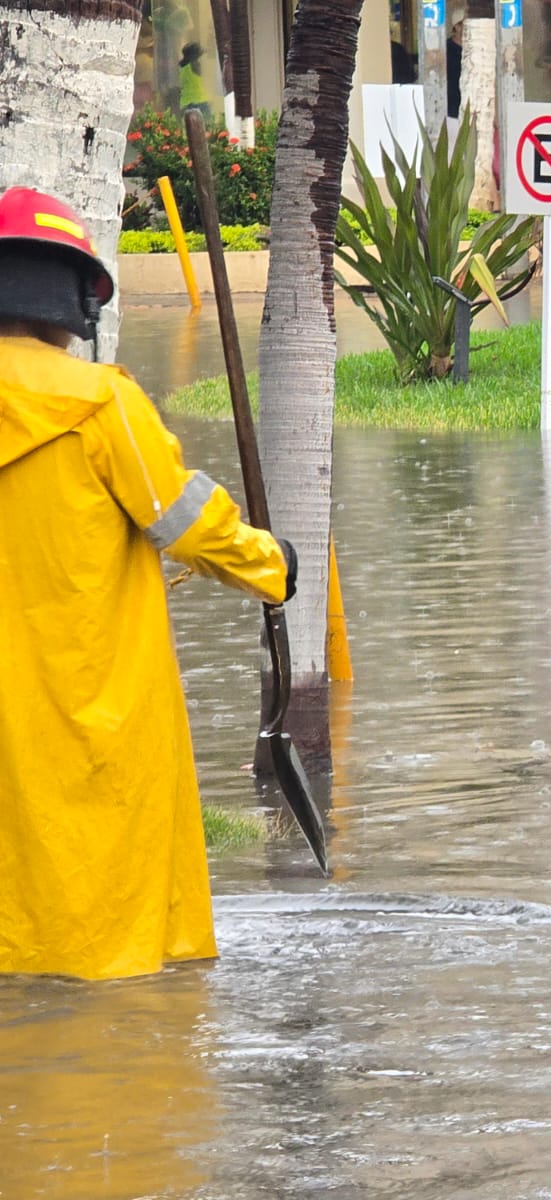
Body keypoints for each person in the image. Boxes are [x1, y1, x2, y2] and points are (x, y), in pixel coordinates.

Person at [0, 186, 294, 980]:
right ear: (71, 298)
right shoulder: (102, 404)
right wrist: (272, 565)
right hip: (95, 701)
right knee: (111, 926)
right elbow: (186, 521)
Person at [178, 41, 210, 120]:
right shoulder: (195, 64)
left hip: (185, 102)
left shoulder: (181, 67)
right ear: (194, 55)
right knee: (207, 126)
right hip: (199, 100)